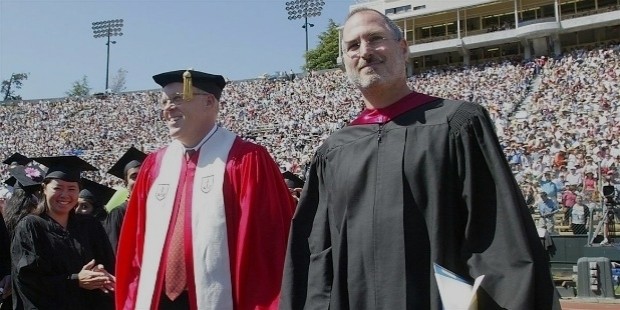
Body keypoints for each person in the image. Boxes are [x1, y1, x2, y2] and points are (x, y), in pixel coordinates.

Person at [280, 8, 559, 310]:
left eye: (375, 39)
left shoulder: (458, 124)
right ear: (346, 60)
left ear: (403, 48)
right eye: (353, 45)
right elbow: (318, 253)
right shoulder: (333, 151)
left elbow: (498, 237)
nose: (365, 51)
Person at [115, 70, 296, 310]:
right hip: (157, 300)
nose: (168, 108)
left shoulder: (246, 160)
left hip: (225, 299)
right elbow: (136, 244)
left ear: (209, 101)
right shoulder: (154, 165)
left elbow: (266, 248)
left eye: (178, 98)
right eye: (164, 102)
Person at [11, 156, 115, 310]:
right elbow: (28, 280)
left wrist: (101, 274)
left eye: (72, 189)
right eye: (57, 188)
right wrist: (76, 280)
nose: (65, 195)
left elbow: (108, 264)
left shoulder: (90, 225)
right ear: (44, 189)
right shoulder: (31, 226)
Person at [103, 146, 147, 254]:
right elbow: (113, 253)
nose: (140, 179)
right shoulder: (119, 213)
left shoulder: (160, 209)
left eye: (144, 174)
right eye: (134, 176)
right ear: (126, 183)